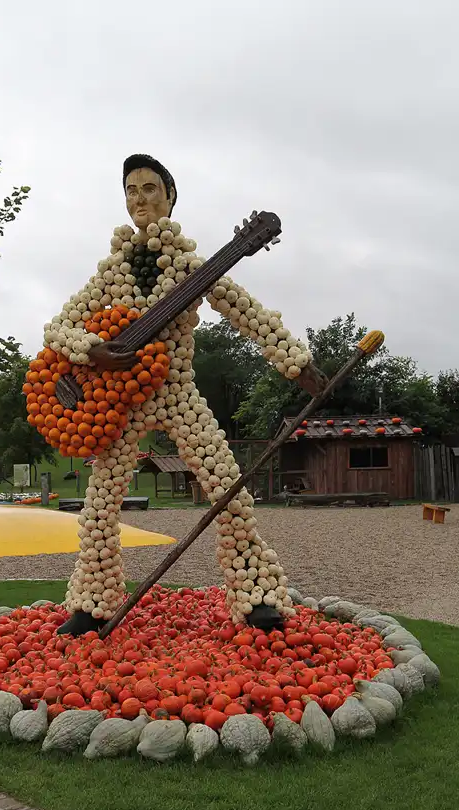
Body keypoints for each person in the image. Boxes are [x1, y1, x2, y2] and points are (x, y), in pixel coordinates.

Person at [40, 154, 322, 635]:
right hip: (117, 403)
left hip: (177, 394)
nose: (140, 198)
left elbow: (244, 310)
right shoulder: (113, 270)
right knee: (99, 508)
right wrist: (94, 351)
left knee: (228, 490)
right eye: (131, 190)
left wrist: (294, 362)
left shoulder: (192, 266)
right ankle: (91, 604)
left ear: (170, 196)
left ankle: (256, 596)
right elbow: (57, 329)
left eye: (150, 188)